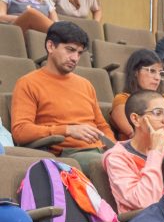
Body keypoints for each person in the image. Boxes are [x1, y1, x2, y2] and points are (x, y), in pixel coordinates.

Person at [11, 21, 114, 170]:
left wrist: (113, 146)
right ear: (50, 46)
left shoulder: (86, 84)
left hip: (101, 152)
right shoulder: (28, 83)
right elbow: (20, 131)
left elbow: (102, 126)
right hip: (68, 155)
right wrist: (67, 130)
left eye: (79, 53)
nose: (75, 58)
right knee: (119, 166)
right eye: (70, 50)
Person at [103, 90, 164, 214]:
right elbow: (145, 201)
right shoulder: (117, 158)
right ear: (136, 119)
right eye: (158, 113)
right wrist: (155, 152)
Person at [110, 49, 164, 140]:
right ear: (135, 71)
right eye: (152, 71)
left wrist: (154, 128)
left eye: (160, 73)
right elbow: (134, 131)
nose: (157, 78)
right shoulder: (123, 99)